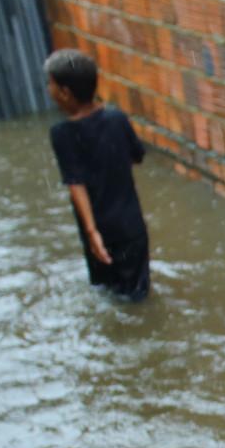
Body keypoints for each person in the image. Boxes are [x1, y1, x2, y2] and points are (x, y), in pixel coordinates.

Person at [44, 48, 149, 300]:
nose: (49, 89)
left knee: (106, 294)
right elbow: (138, 156)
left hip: (99, 231)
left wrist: (92, 233)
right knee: (136, 297)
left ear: (65, 92)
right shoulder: (117, 119)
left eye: (50, 84)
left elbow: (75, 182)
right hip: (130, 227)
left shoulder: (62, 133)